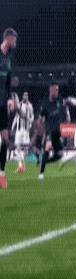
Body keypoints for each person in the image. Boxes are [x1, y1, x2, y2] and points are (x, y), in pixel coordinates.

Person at [38, 83, 70, 181]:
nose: (57, 91)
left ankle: (45, 162)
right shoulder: (45, 104)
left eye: (57, 89)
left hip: (57, 132)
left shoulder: (59, 100)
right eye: (55, 89)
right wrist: (43, 128)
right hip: (49, 131)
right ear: (50, 90)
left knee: (60, 154)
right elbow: (40, 119)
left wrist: (67, 116)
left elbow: (65, 108)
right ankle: (41, 174)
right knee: (47, 147)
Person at [0, 28, 17, 189]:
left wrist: (10, 98)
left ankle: (1, 174)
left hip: (2, 103)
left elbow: (8, 82)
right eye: (15, 40)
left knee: (5, 138)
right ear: (9, 38)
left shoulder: (8, 59)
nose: (15, 43)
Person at [12, 90, 34, 173]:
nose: (25, 96)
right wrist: (13, 127)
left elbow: (32, 116)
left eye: (27, 95)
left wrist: (30, 123)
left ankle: (23, 166)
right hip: (18, 130)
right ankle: (20, 165)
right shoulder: (19, 104)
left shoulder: (30, 106)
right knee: (17, 147)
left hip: (25, 130)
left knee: (25, 149)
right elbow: (16, 117)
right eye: (24, 95)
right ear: (22, 96)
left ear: (28, 97)